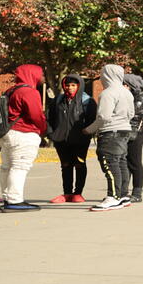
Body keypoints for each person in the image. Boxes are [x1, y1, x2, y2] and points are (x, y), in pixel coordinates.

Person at [0, 64, 48, 213]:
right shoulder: (29, 92)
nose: (42, 77)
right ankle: (15, 200)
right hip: (23, 133)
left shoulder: (10, 90)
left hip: (7, 133)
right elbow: (36, 115)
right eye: (41, 74)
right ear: (32, 74)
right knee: (20, 166)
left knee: (6, 166)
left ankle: (8, 197)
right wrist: (43, 128)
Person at [86, 64, 135, 211]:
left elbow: (104, 116)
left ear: (106, 75)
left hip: (110, 132)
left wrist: (89, 130)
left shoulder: (107, 93)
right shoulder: (127, 93)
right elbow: (131, 114)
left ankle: (113, 196)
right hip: (125, 130)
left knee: (109, 163)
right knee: (121, 162)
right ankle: (123, 195)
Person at [47, 74, 95, 203]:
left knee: (79, 164)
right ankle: (67, 193)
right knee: (66, 165)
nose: (70, 88)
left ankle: (78, 193)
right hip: (61, 140)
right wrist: (52, 134)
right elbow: (50, 118)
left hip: (80, 140)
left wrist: (86, 134)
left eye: (73, 85)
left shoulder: (87, 101)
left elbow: (92, 120)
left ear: (79, 86)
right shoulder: (58, 100)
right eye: (67, 85)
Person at [122, 72, 143, 202]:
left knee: (134, 161)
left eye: (124, 84)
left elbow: (133, 113)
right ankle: (122, 191)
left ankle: (137, 192)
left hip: (136, 133)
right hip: (124, 131)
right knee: (124, 162)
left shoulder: (141, 97)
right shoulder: (127, 96)